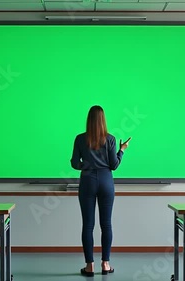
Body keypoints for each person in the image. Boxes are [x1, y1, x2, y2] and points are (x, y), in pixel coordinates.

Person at [70, 105, 131, 277]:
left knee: (88, 225)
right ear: (103, 120)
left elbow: (75, 163)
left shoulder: (80, 139)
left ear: (88, 120)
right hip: (106, 181)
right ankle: (105, 264)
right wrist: (122, 150)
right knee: (106, 224)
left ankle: (89, 266)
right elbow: (114, 165)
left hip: (87, 180)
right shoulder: (110, 139)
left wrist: (86, 165)